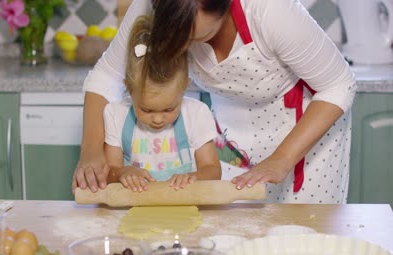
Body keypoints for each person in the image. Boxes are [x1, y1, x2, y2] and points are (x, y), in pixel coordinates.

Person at [72, 0, 357, 204]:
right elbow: (106, 77)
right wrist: (90, 150)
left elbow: (338, 84)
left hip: (305, 140)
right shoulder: (149, 6)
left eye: (199, 37)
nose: (183, 47)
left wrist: (281, 159)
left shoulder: (269, 9)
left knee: (299, 244)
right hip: (232, 143)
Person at [103, 16, 221, 192]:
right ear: (128, 88)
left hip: (185, 210)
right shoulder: (116, 115)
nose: (158, 119)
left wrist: (194, 177)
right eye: (147, 109)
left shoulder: (196, 114)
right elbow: (108, 172)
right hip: (134, 212)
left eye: (169, 109)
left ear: (184, 88)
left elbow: (213, 169)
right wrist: (123, 172)